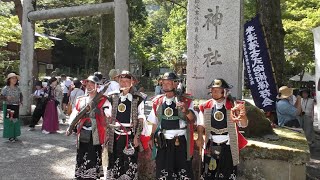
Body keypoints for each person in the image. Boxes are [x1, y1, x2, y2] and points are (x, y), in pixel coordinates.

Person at [148, 72, 196, 179]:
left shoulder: (186, 100)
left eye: (168, 82)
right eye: (163, 82)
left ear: (175, 84)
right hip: (163, 141)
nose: (165, 85)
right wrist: (151, 138)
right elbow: (155, 122)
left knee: (183, 171)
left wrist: (186, 110)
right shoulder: (158, 101)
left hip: (181, 141)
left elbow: (193, 120)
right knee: (164, 170)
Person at [196, 78, 248, 179]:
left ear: (224, 91)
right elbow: (201, 124)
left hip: (228, 145)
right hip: (211, 144)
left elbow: (244, 124)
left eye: (217, 90)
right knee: (209, 174)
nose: (214, 92)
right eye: (212, 90)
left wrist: (243, 116)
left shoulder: (234, 106)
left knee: (227, 174)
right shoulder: (205, 106)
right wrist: (199, 137)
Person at [66, 75, 108, 180]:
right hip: (82, 130)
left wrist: (98, 110)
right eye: (87, 84)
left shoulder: (103, 100)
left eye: (92, 84)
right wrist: (70, 127)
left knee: (93, 153)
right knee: (81, 152)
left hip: (96, 131)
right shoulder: (81, 99)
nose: (89, 86)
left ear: (97, 86)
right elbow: (74, 115)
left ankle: (91, 176)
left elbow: (107, 115)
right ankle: (80, 175)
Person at [105, 71, 145, 179]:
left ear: (132, 83)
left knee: (129, 161)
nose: (124, 84)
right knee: (114, 159)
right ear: (118, 82)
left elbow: (141, 119)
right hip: (114, 135)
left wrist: (137, 136)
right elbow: (107, 115)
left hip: (130, 135)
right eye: (122, 81)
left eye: (127, 81)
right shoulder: (112, 96)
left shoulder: (138, 98)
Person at [1, 73, 23, 142]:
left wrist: (21, 101)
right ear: (9, 80)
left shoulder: (18, 88)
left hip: (16, 106)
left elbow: (21, 95)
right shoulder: (5, 88)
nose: (14, 79)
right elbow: (1, 97)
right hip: (8, 106)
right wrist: (6, 97)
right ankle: (10, 136)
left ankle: (15, 135)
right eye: (13, 78)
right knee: (9, 120)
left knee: (15, 120)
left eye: (15, 78)